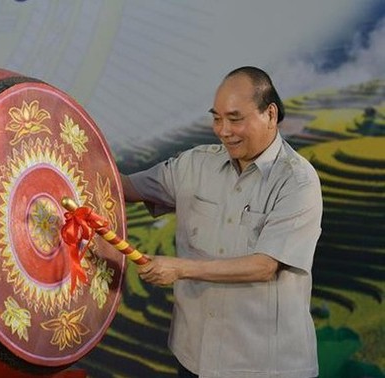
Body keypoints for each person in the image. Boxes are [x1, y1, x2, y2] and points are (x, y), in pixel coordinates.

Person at [122, 66, 322, 378]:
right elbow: (125, 187)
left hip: (263, 366)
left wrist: (180, 268)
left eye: (235, 118)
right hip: (194, 356)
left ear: (270, 114)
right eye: (217, 118)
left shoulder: (297, 181)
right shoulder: (196, 163)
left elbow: (264, 265)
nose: (223, 130)